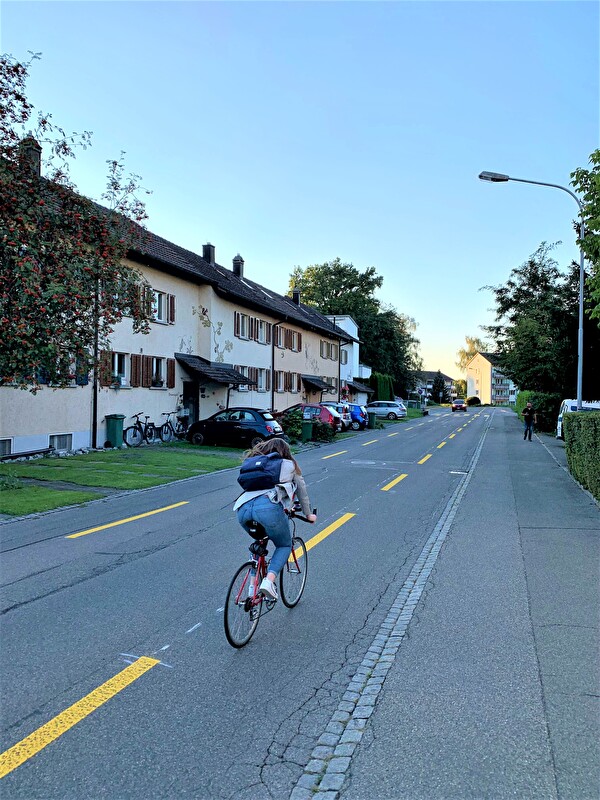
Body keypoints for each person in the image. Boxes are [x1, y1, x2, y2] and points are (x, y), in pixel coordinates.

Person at [233, 438, 316, 600]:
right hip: (268, 509)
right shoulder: (288, 464)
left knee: (258, 545)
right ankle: (268, 582)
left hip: (242, 508)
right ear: (285, 452)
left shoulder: (255, 464)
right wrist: (308, 514)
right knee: (284, 544)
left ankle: (251, 590)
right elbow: (301, 490)